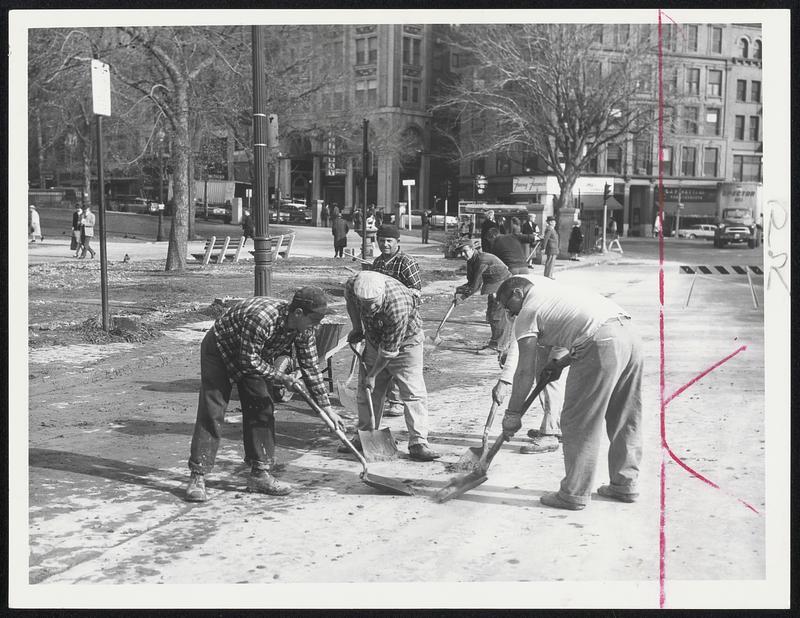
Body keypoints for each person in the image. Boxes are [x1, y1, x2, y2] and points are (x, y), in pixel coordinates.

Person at [494, 275, 643, 510]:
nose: (510, 315)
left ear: (517, 294)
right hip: (629, 335)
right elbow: (581, 327)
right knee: (624, 414)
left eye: (507, 306)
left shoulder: (527, 311)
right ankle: (625, 484)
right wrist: (560, 363)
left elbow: (524, 370)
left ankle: (574, 493)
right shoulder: (553, 293)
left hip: (601, 341)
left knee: (578, 421)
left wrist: (512, 414)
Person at [185, 287, 346, 502]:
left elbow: (310, 366)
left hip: (255, 356)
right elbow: (248, 361)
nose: (315, 326)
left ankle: (260, 473)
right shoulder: (261, 319)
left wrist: (327, 409)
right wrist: (282, 378)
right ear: (297, 313)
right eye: (313, 320)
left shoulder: (305, 328)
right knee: (213, 409)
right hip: (221, 351)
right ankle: (198, 475)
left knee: (262, 407)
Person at [342, 271, 440, 461]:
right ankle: (365, 435)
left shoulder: (398, 305)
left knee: (413, 392)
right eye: (365, 305)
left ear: (382, 295)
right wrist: (357, 327)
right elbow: (350, 303)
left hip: (406, 344)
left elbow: (388, 351)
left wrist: (373, 374)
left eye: (374, 305)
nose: (369, 310)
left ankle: (418, 442)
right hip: (374, 340)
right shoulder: (353, 285)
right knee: (368, 392)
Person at [369, 224, 422, 417]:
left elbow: (416, 292)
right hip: (382, 319)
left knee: (399, 361)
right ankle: (389, 399)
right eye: (381, 240)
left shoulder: (406, 262)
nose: (385, 244)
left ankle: (398, 401)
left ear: (397, 242)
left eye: (389, 241)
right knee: (384, 359)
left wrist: (403, 312)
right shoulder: (377, 263)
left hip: (403, 318)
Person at [454, 240, 511, 352]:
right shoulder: (471, 260)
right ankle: (497, 342)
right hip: (493, 283)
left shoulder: (482, 260)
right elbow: (470, 282)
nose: (462, 255)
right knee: (490, 314)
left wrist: (462, 298)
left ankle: (498, 346)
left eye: (465, 251)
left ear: (472, 249)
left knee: (497, 315)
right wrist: (460, 290)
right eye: (461, 252)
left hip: (503, 284)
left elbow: (476, 285)